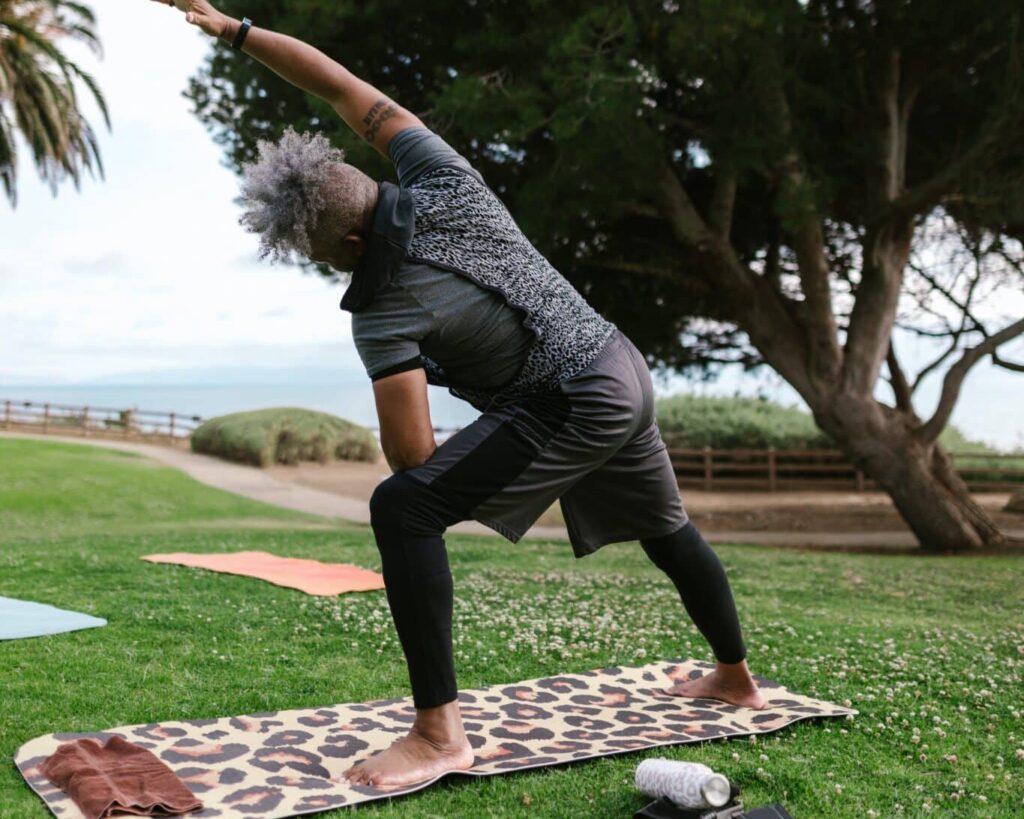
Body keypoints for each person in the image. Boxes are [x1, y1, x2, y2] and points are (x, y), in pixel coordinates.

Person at [151, 0, 767, 789]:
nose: (323, 265)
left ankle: (439, 734)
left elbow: (414, 458)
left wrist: (443, 428)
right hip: (620, 362)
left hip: (572, 396)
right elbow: (337, 86)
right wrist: (234, 29)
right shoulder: (443, 174)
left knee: (402, 508)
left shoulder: (381, 310)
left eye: (318, 255)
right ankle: (736, 677)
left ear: (349, 244)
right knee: (666, 527)